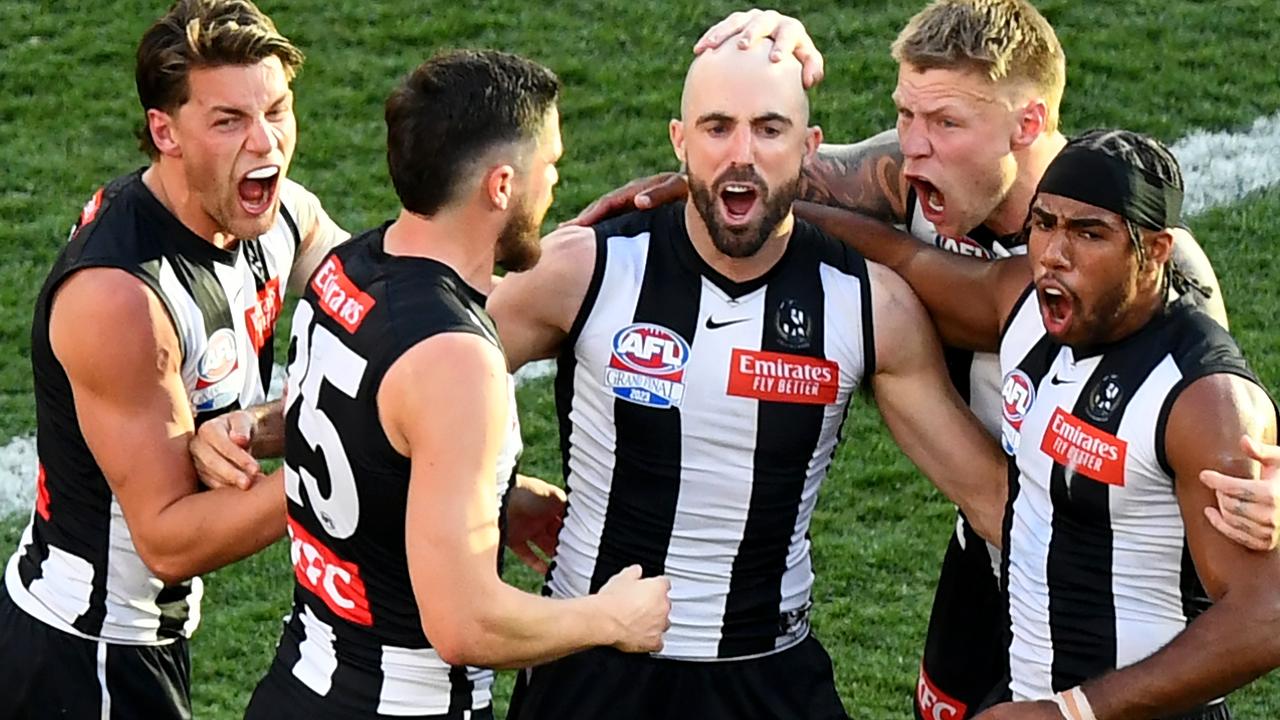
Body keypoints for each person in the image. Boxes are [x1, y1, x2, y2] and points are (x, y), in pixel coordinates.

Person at [569, 5, 1233, 718]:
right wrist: (767, 46)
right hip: (986, 546)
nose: (915, 148)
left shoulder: (1145, 273)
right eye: (906, 116)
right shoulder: (914, 184)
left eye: (945, 124)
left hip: (1107, 587)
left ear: (1028, 125)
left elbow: (1209, 425)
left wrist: (1258, 493)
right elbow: (760, 163)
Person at [488, 40, 1011, 720]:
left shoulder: (868, 303)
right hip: (591, 674)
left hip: (767, 676)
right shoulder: (583, 270)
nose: (742, 154)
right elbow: (417, 387)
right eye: (717, 127)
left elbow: (992, 498)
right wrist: (490, 495)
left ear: (809, 147)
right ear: (680, 141)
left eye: (769, 129)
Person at [242, 50, 672, 720]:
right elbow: (464, 623)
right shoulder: (457, 360)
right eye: (549, 165)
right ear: (500, 186)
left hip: (301, 684)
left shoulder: (346, 269)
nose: (554, 182)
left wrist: (489, 493)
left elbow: (369, 435)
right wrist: (611, 619)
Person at [799, 128, 1280, 720]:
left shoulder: (1204, 401)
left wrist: (1072, 712)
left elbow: (1265, 616)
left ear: (1155, 252)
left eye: (1088, 233)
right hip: (1035, 692)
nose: (1054, 252)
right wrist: (753, 211)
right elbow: (904, 258)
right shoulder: (1024, 305)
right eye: (1044, 223)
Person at [0, 2, 348, 717]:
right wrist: (338, 462)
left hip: (143, 641)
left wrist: (599, 245)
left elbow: (397, 315)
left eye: (277, 111)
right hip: (84, 656)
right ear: (166, 132)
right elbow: (166, 538)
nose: (266, 145)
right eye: (228, 122)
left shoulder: (280, 216)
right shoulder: (119, 298)